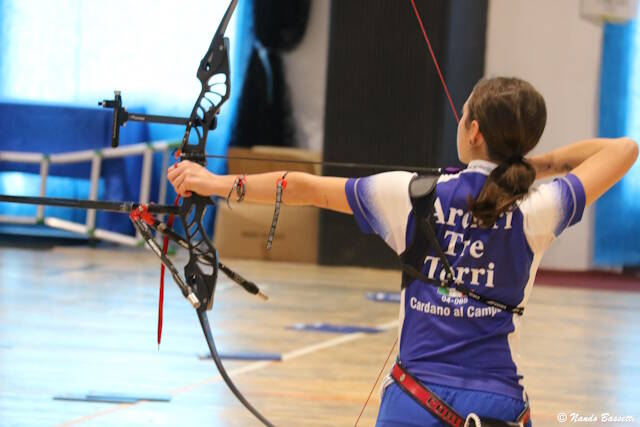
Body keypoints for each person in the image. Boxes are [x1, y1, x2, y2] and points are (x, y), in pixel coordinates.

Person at [168, 77, 638, 426]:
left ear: (473, 132)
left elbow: (302, 187)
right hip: (500, 405)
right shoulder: (539, 207)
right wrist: (533, 165)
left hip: (414, 403)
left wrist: (211, 183)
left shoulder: (414, 195)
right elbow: (624, 148)